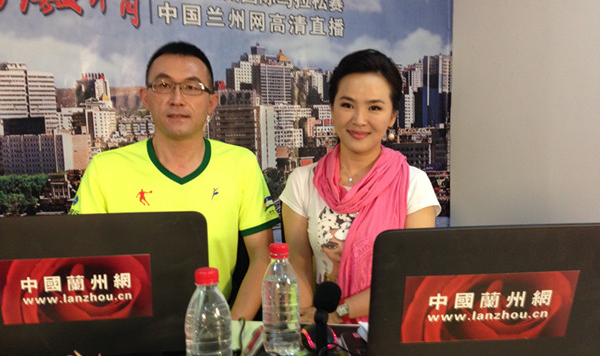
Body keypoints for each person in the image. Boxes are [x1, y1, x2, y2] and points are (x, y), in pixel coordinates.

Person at [70, 41, 279, 320]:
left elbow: (262, 257)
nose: (177, 99)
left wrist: (229, 332)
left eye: (192, 87)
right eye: (164, 85)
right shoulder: (105, 170)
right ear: (146, 98)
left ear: (211, 103)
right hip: (128, 328)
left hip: (215, 325)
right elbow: (79, 265)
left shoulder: (240, 164)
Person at [280, 49, 441, 323]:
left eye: (374, 108)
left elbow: (410, 273)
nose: (359, 119)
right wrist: (311, 321)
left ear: (392, 116)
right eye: (347, 105)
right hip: (323, 329)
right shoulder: (302, 182)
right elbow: (299, 265)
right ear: (332, 109)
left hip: (391, 328)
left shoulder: (414, 184)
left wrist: (340, 313)